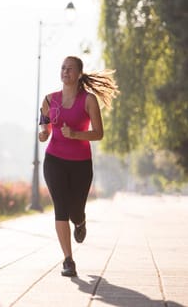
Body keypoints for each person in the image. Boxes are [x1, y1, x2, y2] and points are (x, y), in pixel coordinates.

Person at [38, 56, 118, 277]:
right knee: (60, 208)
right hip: (54, 160)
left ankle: (80, 221)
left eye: (70, 69)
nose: (65, 72)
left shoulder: (89, 100)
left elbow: (99, 133)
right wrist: (43, 134)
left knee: (75, 209)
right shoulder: (48, 99)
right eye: (63, 68)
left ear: (79, 74)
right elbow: (44, 128)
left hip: (81, 164)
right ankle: (68, 260)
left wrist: (75, 134)